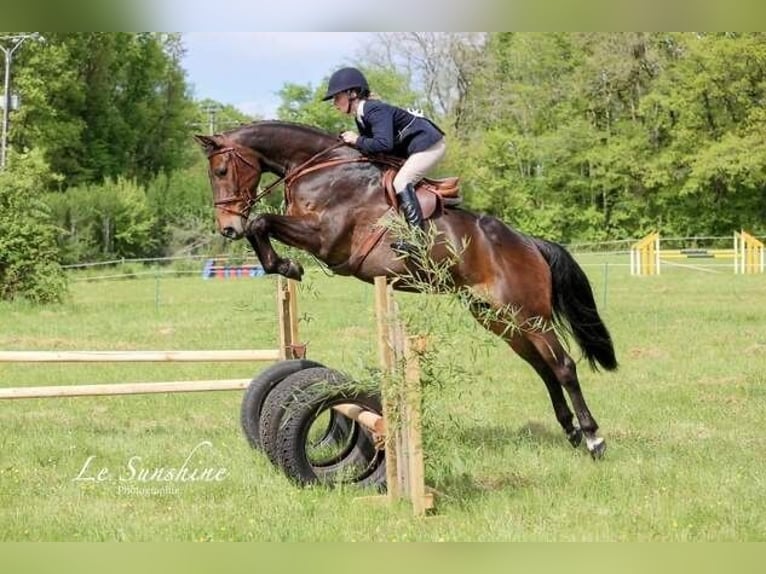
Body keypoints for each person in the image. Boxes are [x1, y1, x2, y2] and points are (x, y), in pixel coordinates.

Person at [323, 66, 446, 255]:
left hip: (429, 145)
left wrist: (357, 140)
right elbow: (372, 148)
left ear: (353, 93)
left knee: (402, 181)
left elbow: (384, 144)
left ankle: (417, 239)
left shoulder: (374, 109)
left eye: (337, 97)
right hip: (412, 148)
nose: (335, 103)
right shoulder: (362, 115)